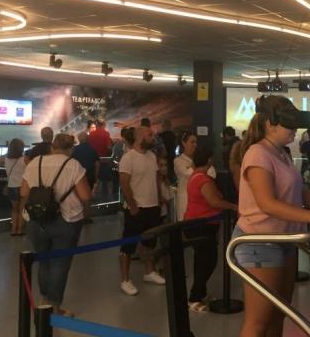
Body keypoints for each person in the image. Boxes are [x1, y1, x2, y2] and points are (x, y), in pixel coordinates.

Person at [232, 95, 310, 337]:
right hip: (259, 242)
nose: (295, 130)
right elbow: (267, 204)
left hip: (284, 239)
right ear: (270, 124)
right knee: (258, 323)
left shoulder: (282, 153)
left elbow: (301, 192)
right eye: (290, 125)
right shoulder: (257, 154)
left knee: (279, 313)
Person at [21, 134, 92, 317]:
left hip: (36, 220)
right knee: (61, 263)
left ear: (52, 146)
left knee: (44, 261)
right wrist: (86, 213)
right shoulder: (73, 165)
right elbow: (85, 196)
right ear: (71, 148)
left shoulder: (35, 163)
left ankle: (44, 300)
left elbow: (24, 193)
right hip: (67, 219)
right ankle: (54, 306)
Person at [183, 145, 237, 312]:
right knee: (207, 261)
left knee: (202, 260)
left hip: (197, 224)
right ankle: (194, 297)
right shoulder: (203, 180)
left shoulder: (196, 176)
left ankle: (201, 292)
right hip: (201, 225)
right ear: (209, 160)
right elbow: (215, 201)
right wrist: (235, 207)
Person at [118, 126, 167, 296]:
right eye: (149, 134)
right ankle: (125, 280)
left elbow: (156, 179)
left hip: (152, 207)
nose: (153, 137)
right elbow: (124, 184)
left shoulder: (151, 156)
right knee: (128, 246)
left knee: (150, 243)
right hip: (136, 208)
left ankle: (149, 271)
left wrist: (159, 199)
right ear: (140, 137)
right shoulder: (128, 158)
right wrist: (133, 206)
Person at [174, 131, 216, 222]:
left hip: (201, 200)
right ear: (184, 143)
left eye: (196, 142)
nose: (195, 145)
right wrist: (197, 165)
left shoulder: (200, 158)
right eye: (192, 142)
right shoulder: (178, 161)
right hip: (185, 198)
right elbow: (189, 173)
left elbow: (212, 173)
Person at [5, 138, 27, 236]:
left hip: (11, 187)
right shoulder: (25, 159)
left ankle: (13, 230)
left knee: (14, 210)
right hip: (22, 187)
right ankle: (20, 230)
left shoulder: (6, 159)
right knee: (22, 210)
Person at [88, 119, 113, 200]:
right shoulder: (105, 133)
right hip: (104, 159)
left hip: (93, 160)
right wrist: (111, 153)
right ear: (103, 124)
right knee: (109, 179)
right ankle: (110, 197)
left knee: (97, 178)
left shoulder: (91, 134)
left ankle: (93, 195)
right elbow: (109, 147)